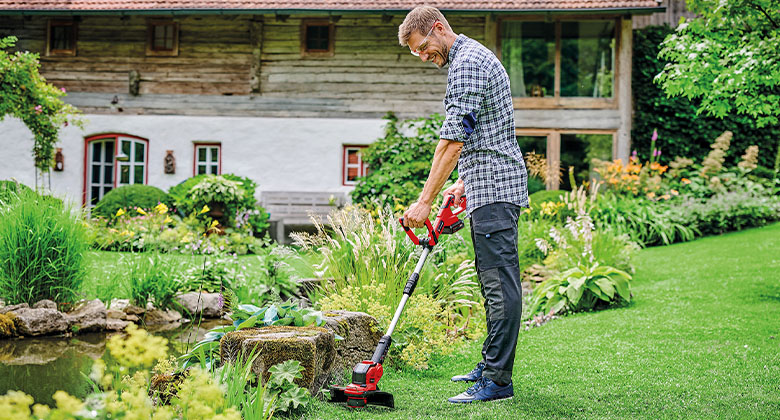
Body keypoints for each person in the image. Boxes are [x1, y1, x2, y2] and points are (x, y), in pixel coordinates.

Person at [397, 6, 529, 403]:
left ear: (438, 28)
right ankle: (490, 365)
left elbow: (453, 141)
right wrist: (461, 182)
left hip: (495, 190)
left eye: (422, 47)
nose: (423, 57)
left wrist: (424, 201)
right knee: (491, 283)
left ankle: (498, 381)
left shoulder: (467, 63)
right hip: (486, 185)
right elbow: (486, 132)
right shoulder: (469, 57)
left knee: (499, 283)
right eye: (416, 53)